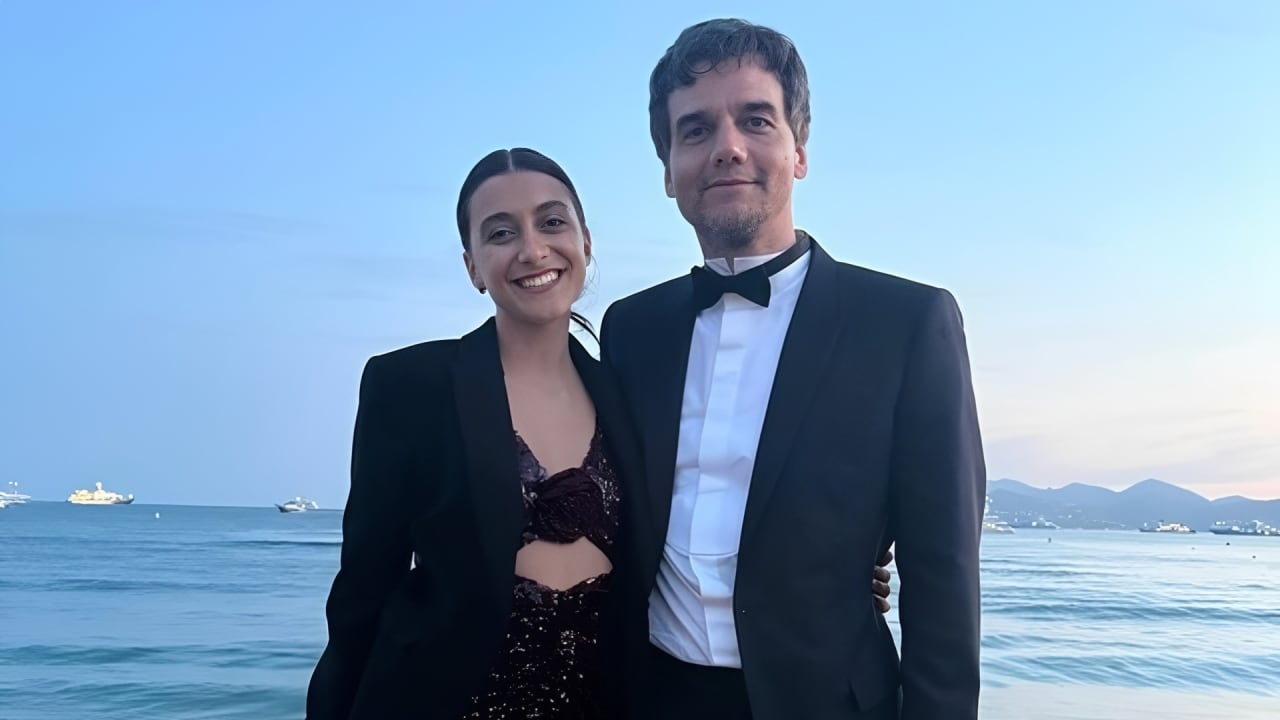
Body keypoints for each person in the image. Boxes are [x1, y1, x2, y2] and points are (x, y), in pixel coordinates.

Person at [305, 147, 897, 719]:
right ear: (472, 266)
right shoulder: (411, 386)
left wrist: (843, 571)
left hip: (605, 703)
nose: (533, 249)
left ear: (585, 243)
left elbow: (718, 493)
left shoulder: (627, 390)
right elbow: (361, 593)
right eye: (501, 232)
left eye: (552, 222)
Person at [600, 19, 986, 720]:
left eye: (755, 120)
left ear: (798, 150)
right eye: (695, 130)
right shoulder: (631, 329)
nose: (727, 149)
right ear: (667, 171)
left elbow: (943, 577)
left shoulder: (906, 324)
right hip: (649, 698)